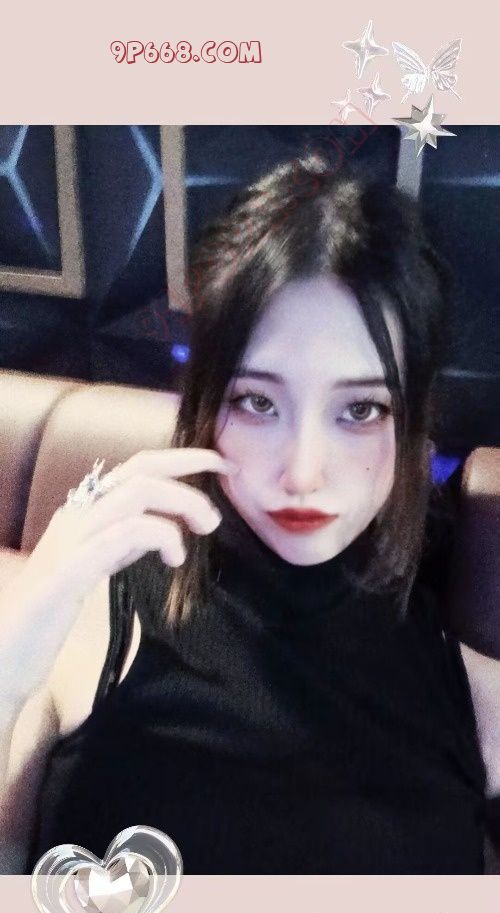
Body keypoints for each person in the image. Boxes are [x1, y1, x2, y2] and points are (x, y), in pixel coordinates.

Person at [0, 154, 498, 875]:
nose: (303, 471)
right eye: (258, 402)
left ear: (411, 422)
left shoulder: (473, 700)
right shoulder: (80, 630)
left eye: (361, 410)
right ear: (207, 405)